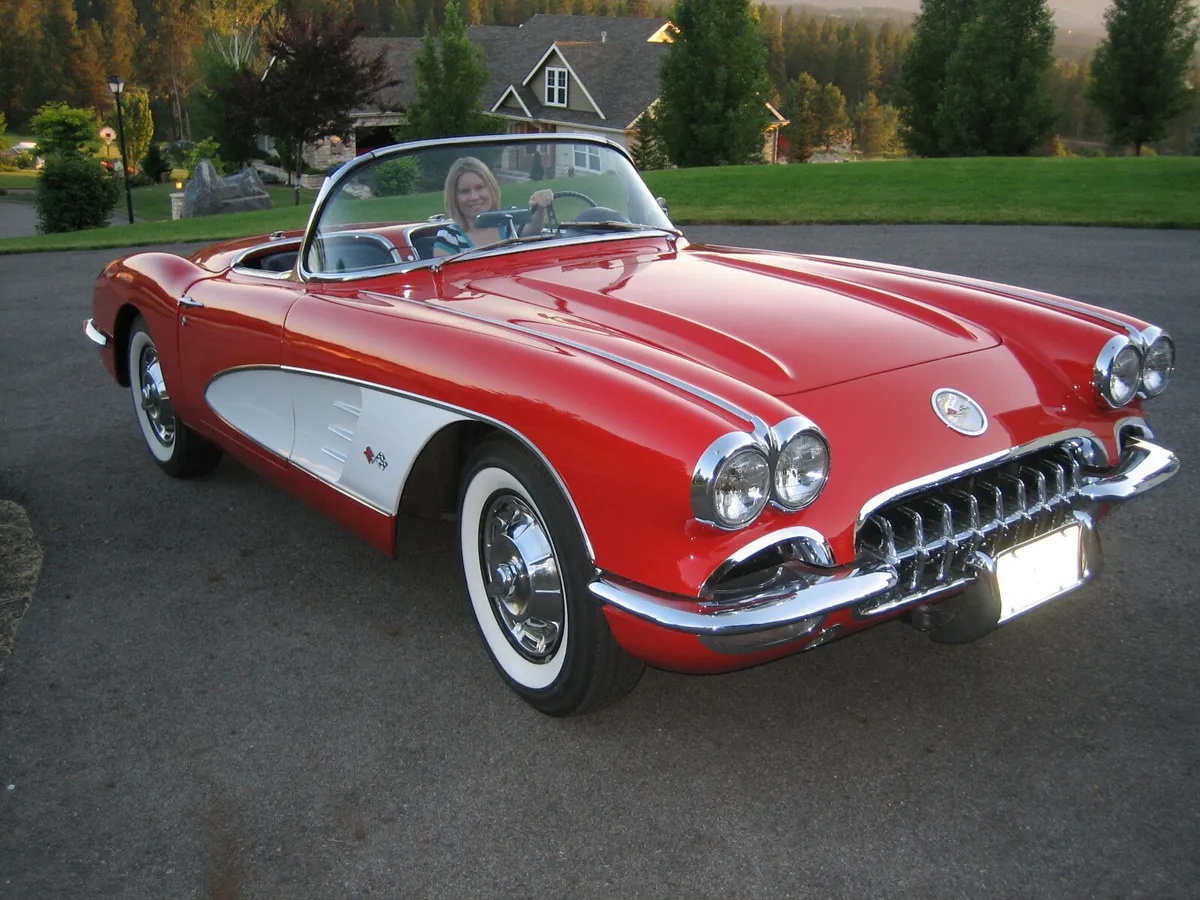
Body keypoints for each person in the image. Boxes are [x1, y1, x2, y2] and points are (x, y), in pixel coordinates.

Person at [432, 156, 554, 256]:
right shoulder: (449, 237)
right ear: (454, 197)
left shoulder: (509, 218)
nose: (474, 197)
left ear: (491, 188)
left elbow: (532, 231)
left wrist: (539, 206)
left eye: (480, 187)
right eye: (464, 191)